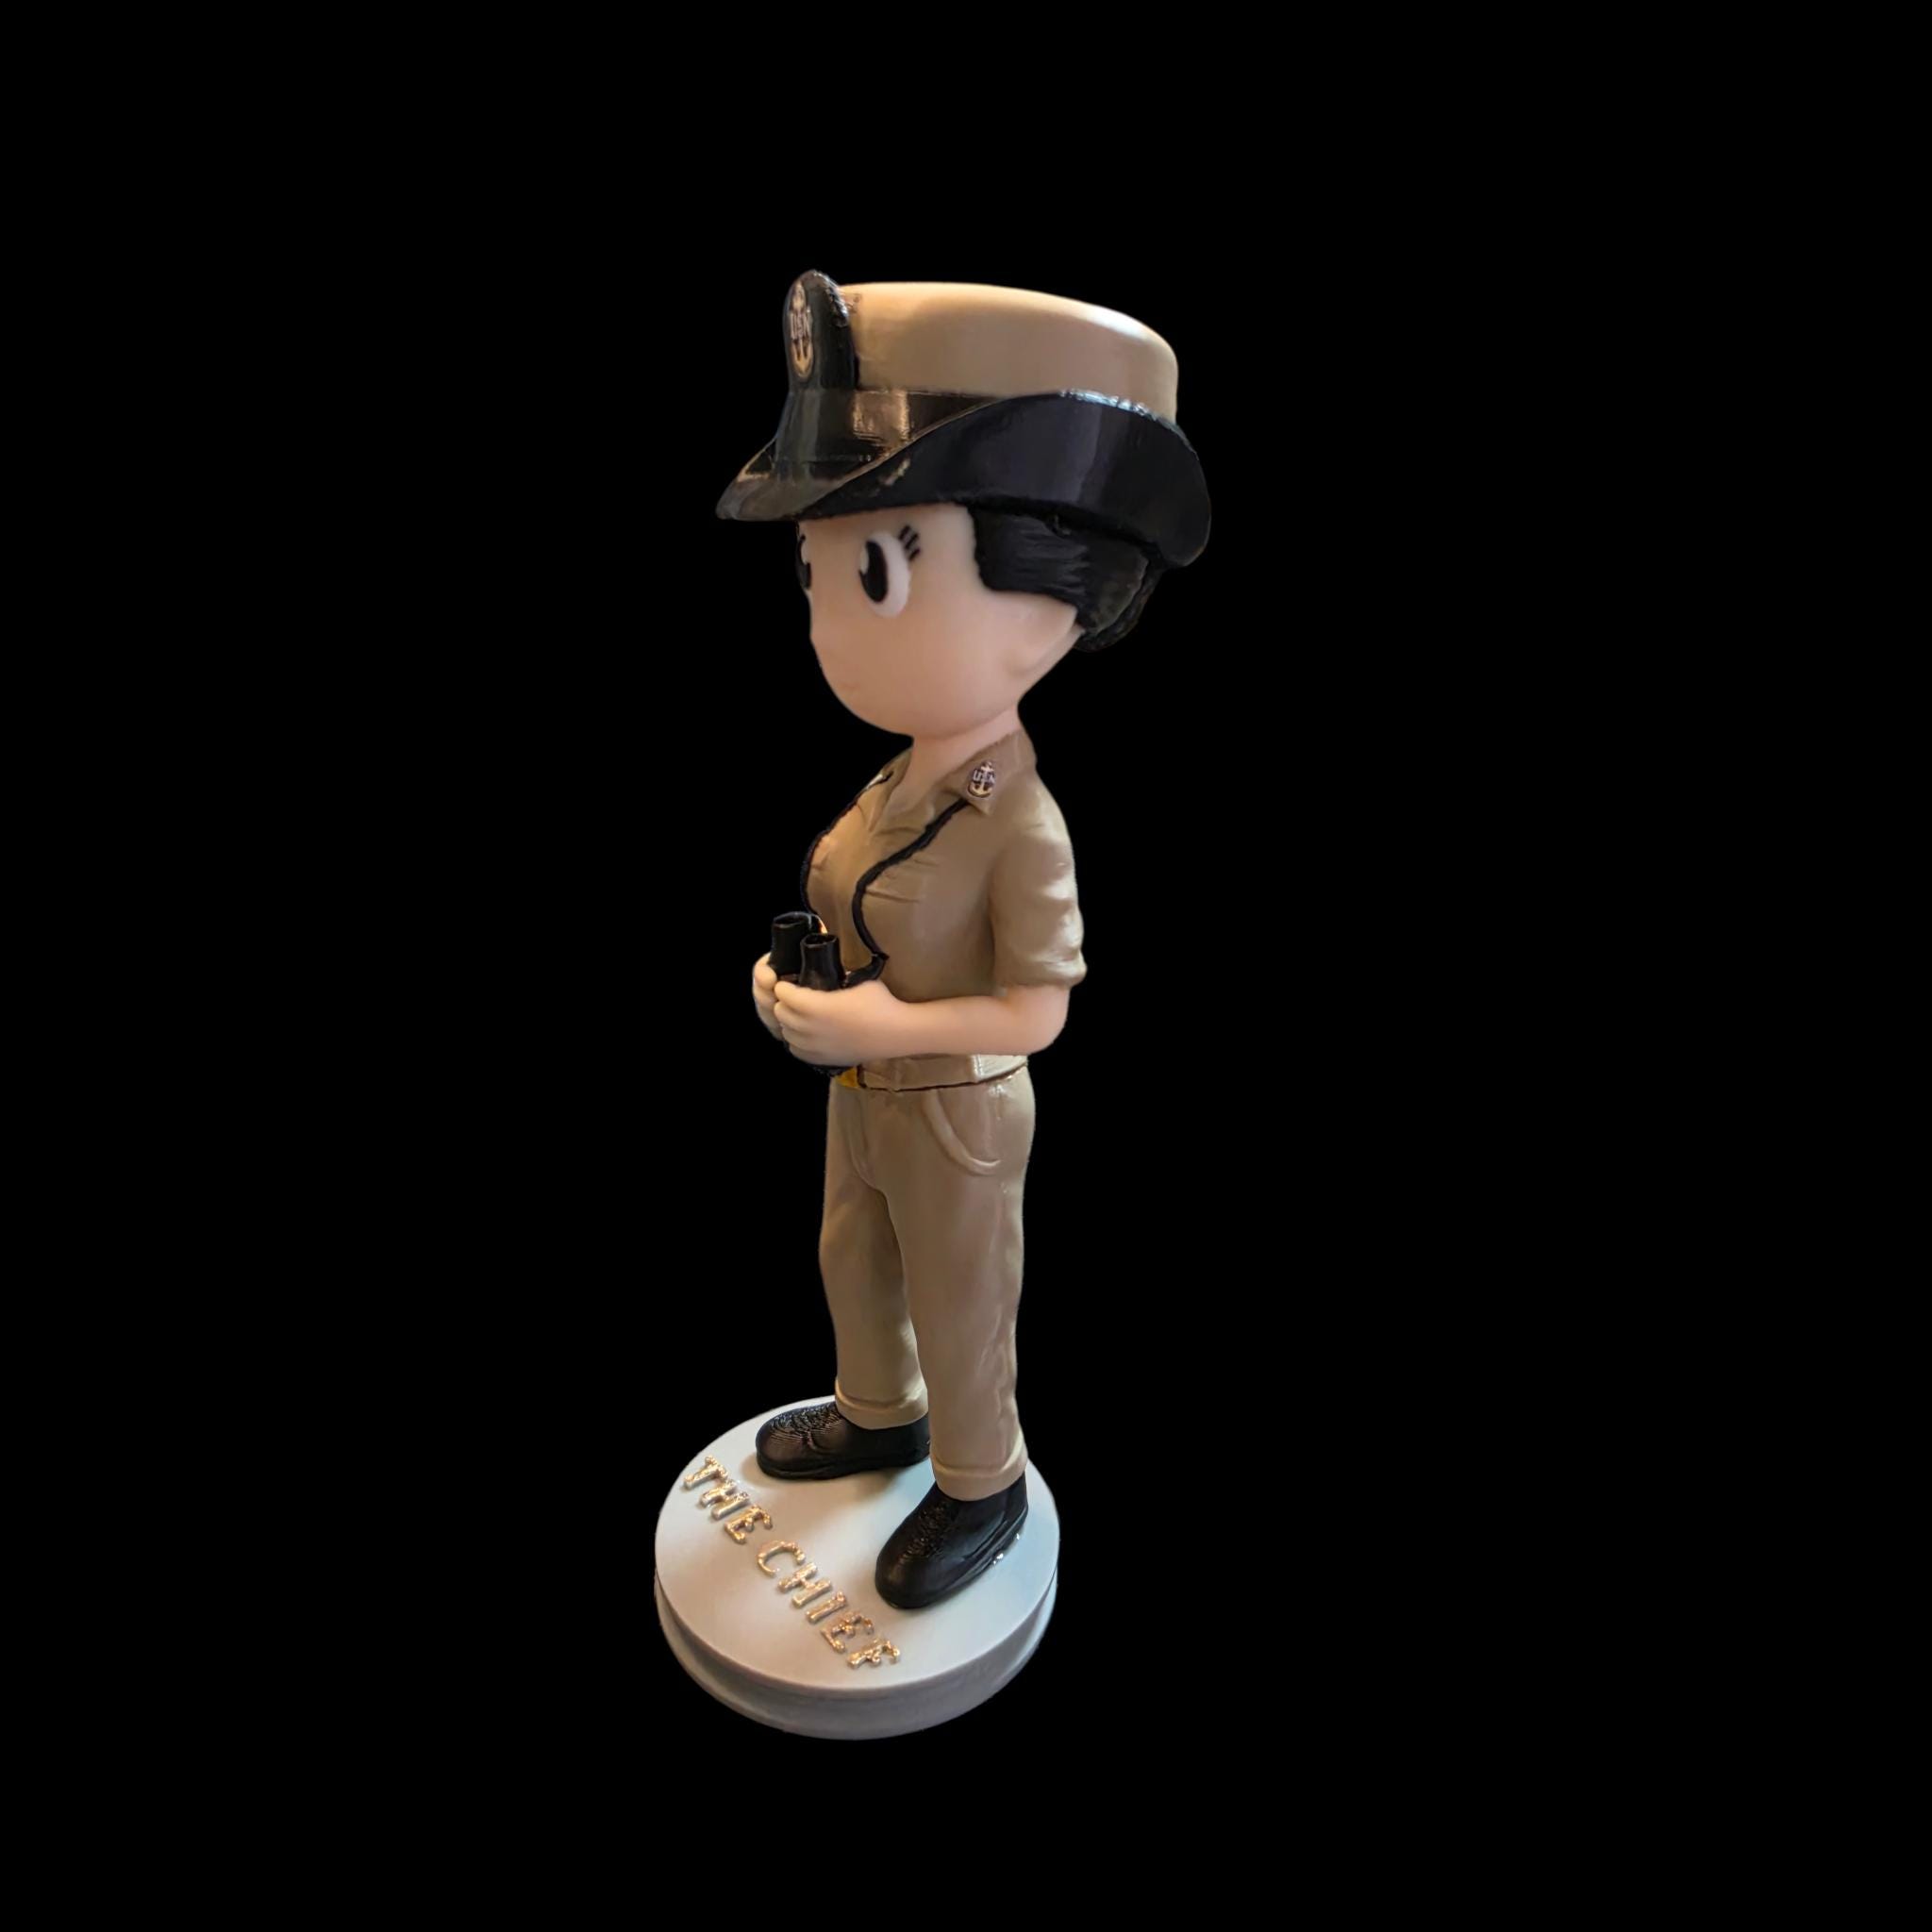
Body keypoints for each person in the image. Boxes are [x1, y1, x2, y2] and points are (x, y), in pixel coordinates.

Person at [717, 272, 1209, 1610]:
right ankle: (877, 1413)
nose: (830, 625)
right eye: (816, 574)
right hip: (866, 1092)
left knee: (959, 1296)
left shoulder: (1019, 824)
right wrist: (802, 991)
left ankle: (980, 1484)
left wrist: (882, 1024)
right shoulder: (901, 779)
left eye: (877, 570)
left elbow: (1039, 1011)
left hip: (956, 1110)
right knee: (854, 1260)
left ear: (1056, 591)